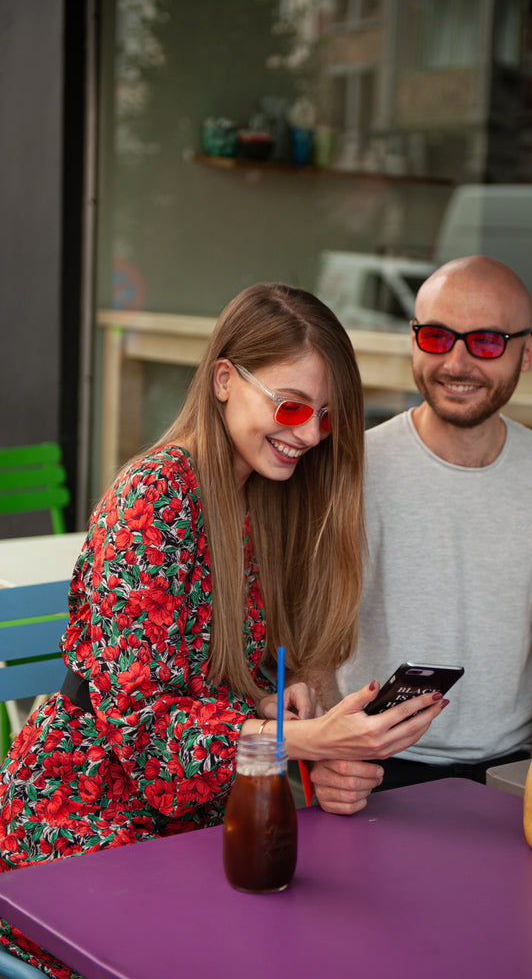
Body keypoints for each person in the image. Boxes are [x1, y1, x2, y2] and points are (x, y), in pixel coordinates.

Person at [0, 283, 448, 978]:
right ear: (222, 381)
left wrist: (282, 708)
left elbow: (210, 669)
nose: (307, 435)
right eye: (291, 406)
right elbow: (147, 731)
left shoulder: (263, 502)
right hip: (84, 820)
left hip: (199, 822)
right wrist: (301, 739)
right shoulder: (152, 497)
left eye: (326, 418)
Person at [309, 256, 532, 814]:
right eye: (437, 337)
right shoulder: (350, 467)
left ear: (527, 353)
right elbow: (309, 637)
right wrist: (329, 751)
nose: (456, 361)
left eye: (487, 341)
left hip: (517, 765)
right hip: (370, 763)